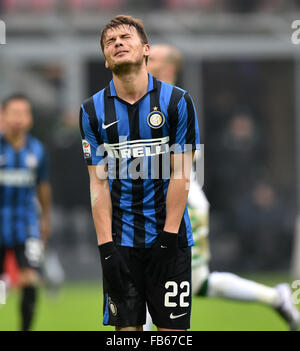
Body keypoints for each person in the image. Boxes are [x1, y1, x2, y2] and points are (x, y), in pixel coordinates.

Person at [146, 43, 300, 331]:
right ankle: (276, 297)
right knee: (198, 282)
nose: (143, 59)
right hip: (169, 202)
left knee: (154, 280)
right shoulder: (152, 103)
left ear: (167, 68)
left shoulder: (173, 105)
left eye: (151, 57)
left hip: (180, 206)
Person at [79, 15, 200, 331]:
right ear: (106, 60)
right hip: (122, 243)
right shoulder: (91, 111)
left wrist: (169, 237)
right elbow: (98, 184)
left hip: (170, 240)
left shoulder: (177, 101)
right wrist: (106, 248)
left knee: (172, 335)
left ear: (146, 49)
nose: (117, 43)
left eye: (125, 37)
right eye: (110, 41)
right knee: (126, 335)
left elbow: (182, 174)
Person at [0, 93, 51, 331]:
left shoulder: (37, 150)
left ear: (30, 118)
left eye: (24, 113)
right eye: (14, 113)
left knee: (31, 280)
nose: (19, 119)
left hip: (28, 225)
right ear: (3, 116)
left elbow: (43, 187)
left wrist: (46, 219)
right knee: (1, 290)